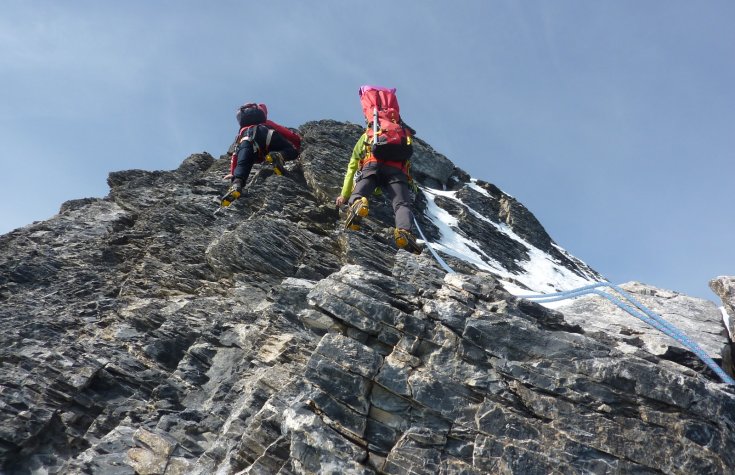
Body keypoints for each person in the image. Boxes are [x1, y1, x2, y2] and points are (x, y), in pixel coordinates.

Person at [335, 129, 421, 254]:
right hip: (397, 172)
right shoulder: (403, 137)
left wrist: (344, 195)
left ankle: (357, 203)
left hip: (372, 165)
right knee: (402, 204)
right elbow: (406, 161)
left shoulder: (369, 134)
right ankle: (403, 232)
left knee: (359, 193)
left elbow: (353, 164)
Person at [220, 103, 301, 207]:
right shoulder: (266, 122)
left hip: (246, 141)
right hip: (267, 135)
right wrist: (297, 141)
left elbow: (235, 154)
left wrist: (233, 173)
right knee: (290, 150)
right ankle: (279, 156)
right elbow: (286, 132)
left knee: (243, 165)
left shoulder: (241, 132)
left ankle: (236, 185)